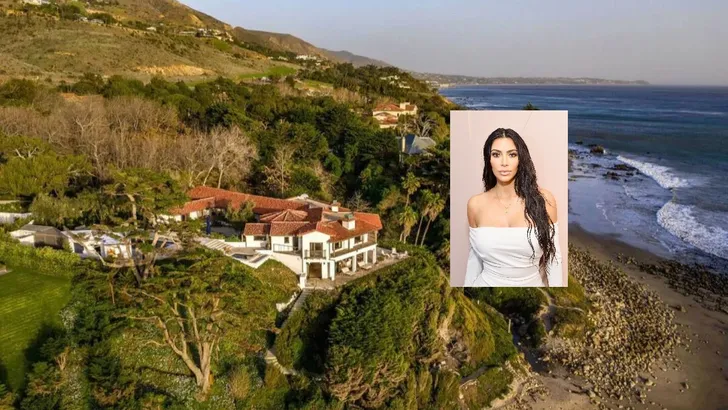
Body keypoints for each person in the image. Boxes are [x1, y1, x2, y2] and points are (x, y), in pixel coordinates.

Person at [465, 128, 563, 287]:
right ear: (489, 160)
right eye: (496, 154)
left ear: (521, 159)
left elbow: (554, 259)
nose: (504, 162)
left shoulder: (544, 200)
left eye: (512, 154)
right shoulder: (475, 204)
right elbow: (474, 260)